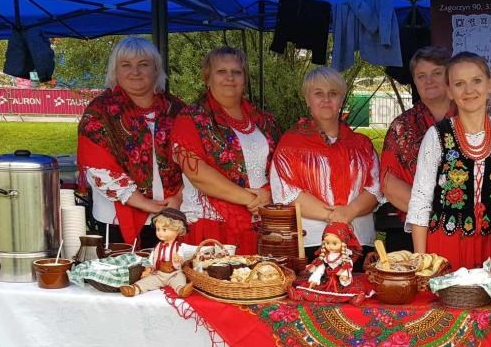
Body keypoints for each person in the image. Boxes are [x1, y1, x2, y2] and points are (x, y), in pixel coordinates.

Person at [406, 52, 491, 271]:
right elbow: (421, 201)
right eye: (459, 83)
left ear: (489, 85)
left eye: (476, 81)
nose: (469, 90)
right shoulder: (437, 135)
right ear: (449, 91)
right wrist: (421, 262)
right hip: (445, 247)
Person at [77, 36, 184, 249]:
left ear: (156, 69)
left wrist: (179, 197)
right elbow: (98, 168)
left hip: (175, 214)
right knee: (126, 277)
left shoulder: (177, 109)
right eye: (126, 65)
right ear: (115, 71)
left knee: (171, 274)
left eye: (143, 65)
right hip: (117, 218)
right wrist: (145, 203)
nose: (135, 72)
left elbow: (196, 160)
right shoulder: (100, 112)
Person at [171, 46, 280, 253]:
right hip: (213, 227)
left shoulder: (265, 121)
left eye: (236, 72)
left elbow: (282, 167)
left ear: (244, 79)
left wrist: (268, 193)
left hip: (262, 222)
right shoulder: (191, 118)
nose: (229, 77)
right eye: (221, 71)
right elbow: (197, 174)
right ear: (207, 77)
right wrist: (250, 200)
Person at [270, 66, 381, 258]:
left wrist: (349, 212)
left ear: (341, 99)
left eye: (333, 93)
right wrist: (333, 216)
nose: (326, 99)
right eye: (318, 93)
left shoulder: (362, 145)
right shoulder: (291, 144)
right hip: (311, 243)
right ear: (307, 99)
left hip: (360, 242)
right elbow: (286, 193)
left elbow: (376, 188)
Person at [379, 46, 455, 251]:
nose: (428, 80)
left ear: (449, 76)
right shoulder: (402, 126)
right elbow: (389, 183)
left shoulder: (468, 119)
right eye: (421, 76)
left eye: (436, 73)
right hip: (410, 231)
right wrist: (432, 215)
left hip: (463, 230)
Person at [120, 208, 193, 298]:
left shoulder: (179, 247)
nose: (159, 233)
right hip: (159, 273)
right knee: (148, 281)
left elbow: (184, 257)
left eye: (164, 229)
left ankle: (181, 290)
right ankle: (134, 289)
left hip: (174, 274)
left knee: (180, 279)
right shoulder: (158, 246)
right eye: (158, 229)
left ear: (177, 230)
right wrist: (148, 269)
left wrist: (179, 259)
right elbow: (152, 258)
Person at [304, 222, 361, 291]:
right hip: (326, 282)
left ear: (344, 242)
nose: (330, 246)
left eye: (334, 243)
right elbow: (320, 268)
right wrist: (315, 279)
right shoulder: (325, 257)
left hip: (339, 283)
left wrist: (344, 275)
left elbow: (347, 268)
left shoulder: (344, 258)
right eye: (327, 243)